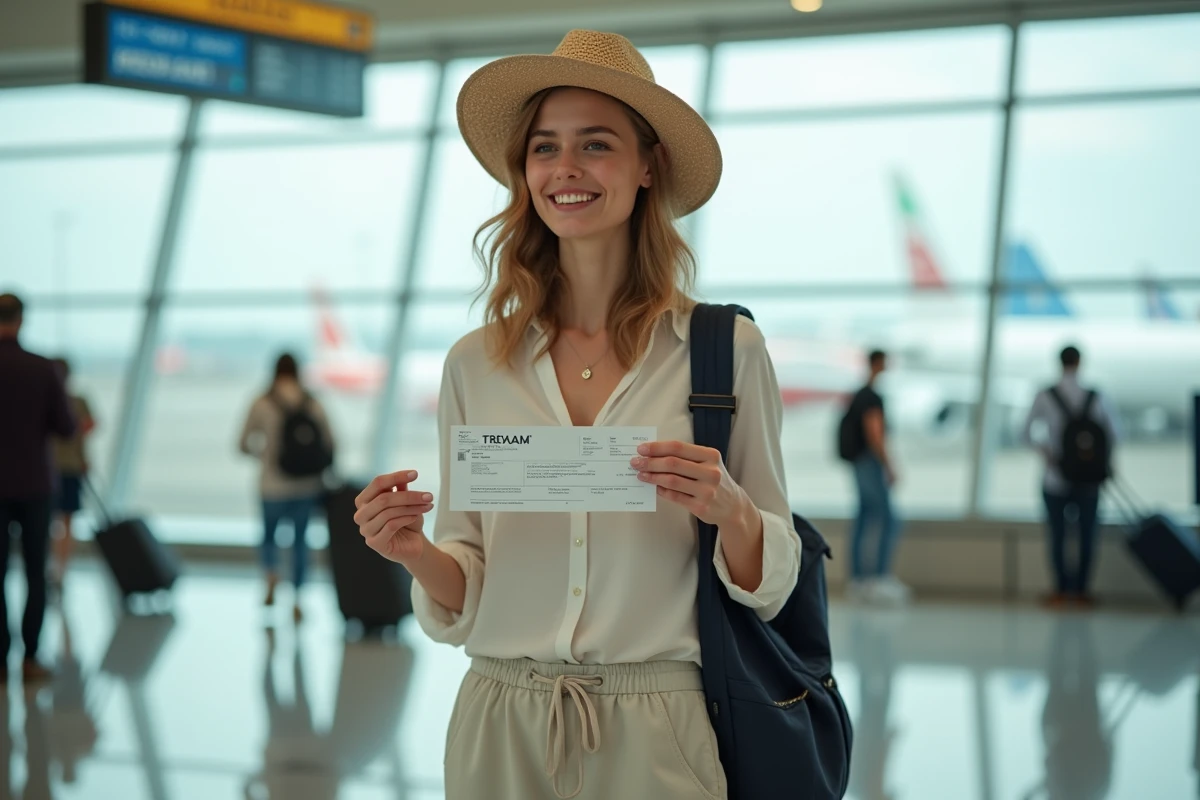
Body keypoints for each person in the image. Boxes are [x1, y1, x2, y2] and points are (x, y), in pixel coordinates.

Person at [353, 30, 801, 800]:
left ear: (647, 165)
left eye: (596, 145)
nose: (565, 169)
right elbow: (468, 578)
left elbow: (775, 577)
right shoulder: (475, 364)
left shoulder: (724, 352)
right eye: (544, 148)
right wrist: (413, 552)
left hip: (659, 722)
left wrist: (731, 509)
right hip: (500, 720)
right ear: (523, 173)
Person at [0, 292, 75, 682]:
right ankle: (30, 658)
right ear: (22, 320)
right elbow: (66, 426)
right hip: (33, 482)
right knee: (34, 572)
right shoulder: (43, 368)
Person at [238, 353, 335, 623]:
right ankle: (298, 597)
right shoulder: (312, 402)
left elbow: (243, 443)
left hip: (271, 485)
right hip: (306, 486)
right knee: (300, 542)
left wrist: (265, 455)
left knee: (269, 536)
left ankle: (271, 576)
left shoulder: (262, 402)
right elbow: (329, 442)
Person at [1022, 345, 1119, 609]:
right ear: (1080, 363)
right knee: (1088, 536)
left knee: (1057, 536)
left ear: (1059, 363)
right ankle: (1082, 591)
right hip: (1088, 480)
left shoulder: (1045, 395)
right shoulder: (1095, 396)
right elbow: (1113, 433)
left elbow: (1025, 432)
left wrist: (1048, 455)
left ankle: (1060, 591)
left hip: (1055, 478)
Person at [840, 349, 908, 605]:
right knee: (889, 519)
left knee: (864, 516)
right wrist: (889, 465)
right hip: (869, 463)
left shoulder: (859, 395)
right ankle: (879, 578)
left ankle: (858, 580)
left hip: (859, 463)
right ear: (878, 364)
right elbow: (875, 433)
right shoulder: (871, 398)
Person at [50, 357, 96, 588]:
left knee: (57, 521)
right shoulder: (77, 401)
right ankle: (60, 569)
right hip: (67, 467)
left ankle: (57, 568)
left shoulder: (54, 401)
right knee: (66, 521)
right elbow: (89, 427)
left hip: (51, 469)